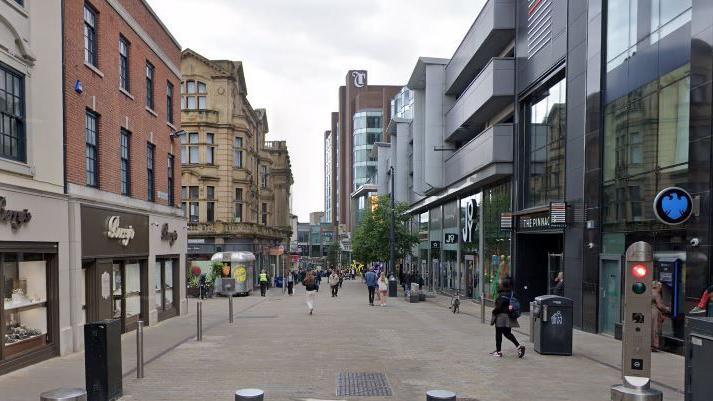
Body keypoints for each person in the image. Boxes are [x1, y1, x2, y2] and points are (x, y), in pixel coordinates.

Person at [489, 280, 525, 358]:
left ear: (503, 285)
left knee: (498, 334)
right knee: (507, 333)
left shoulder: (502, 295)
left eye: (500, 283)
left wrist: (494, 312)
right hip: (509, 316)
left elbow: (499, 307)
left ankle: (498, 352)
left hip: (501, 317)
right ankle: (519, 347)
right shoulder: (511, 293)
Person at [651, 281, 671, 352]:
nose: (660, 289)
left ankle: (650, 345)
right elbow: (660, 305)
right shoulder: (656, 293)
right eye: (660, 287)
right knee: (655, 328)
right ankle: (654, 346)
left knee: (649, 328)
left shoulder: (648, 292)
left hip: (648, 312)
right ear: (657, 287)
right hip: (654, 313)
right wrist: (667, 309)